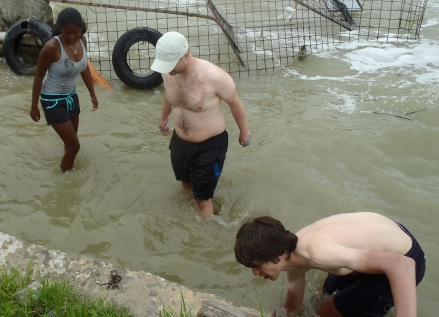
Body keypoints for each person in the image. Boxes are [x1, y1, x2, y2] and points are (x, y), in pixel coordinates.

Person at [234, 212, 426, 317]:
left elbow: (403, 265)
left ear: (275, 253)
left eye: (257, 265)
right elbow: (292, 308)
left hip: (406, 259)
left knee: (325, 313)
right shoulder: (292, 251)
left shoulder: (319, 253)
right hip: (390, 236)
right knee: (324, 296)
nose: (255, 272)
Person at [151, 31, 251, 217]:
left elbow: (234, 102)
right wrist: (163, 118)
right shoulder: (168, 72)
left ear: (186, 54)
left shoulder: (213, 76)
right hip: (180, 142)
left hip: (209, 145)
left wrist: (244, 131)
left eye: (171, 64)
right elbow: (170, 96)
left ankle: (206, 238)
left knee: (202, 201)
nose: (168, 69)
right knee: (186, 184)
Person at [30, 7, 98, 172]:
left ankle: (67, 171)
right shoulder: (52, 47)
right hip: (52, 100)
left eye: (75, 32)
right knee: (74, 145)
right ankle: (64, 181)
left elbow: (84, 69)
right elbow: (39, 76)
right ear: (59, 29)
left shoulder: (82, 41)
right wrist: (34, 106)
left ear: (81, 28)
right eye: (66, 33)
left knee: (70, 143)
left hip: (71, 96)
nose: (71, 37)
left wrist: (93, 94)